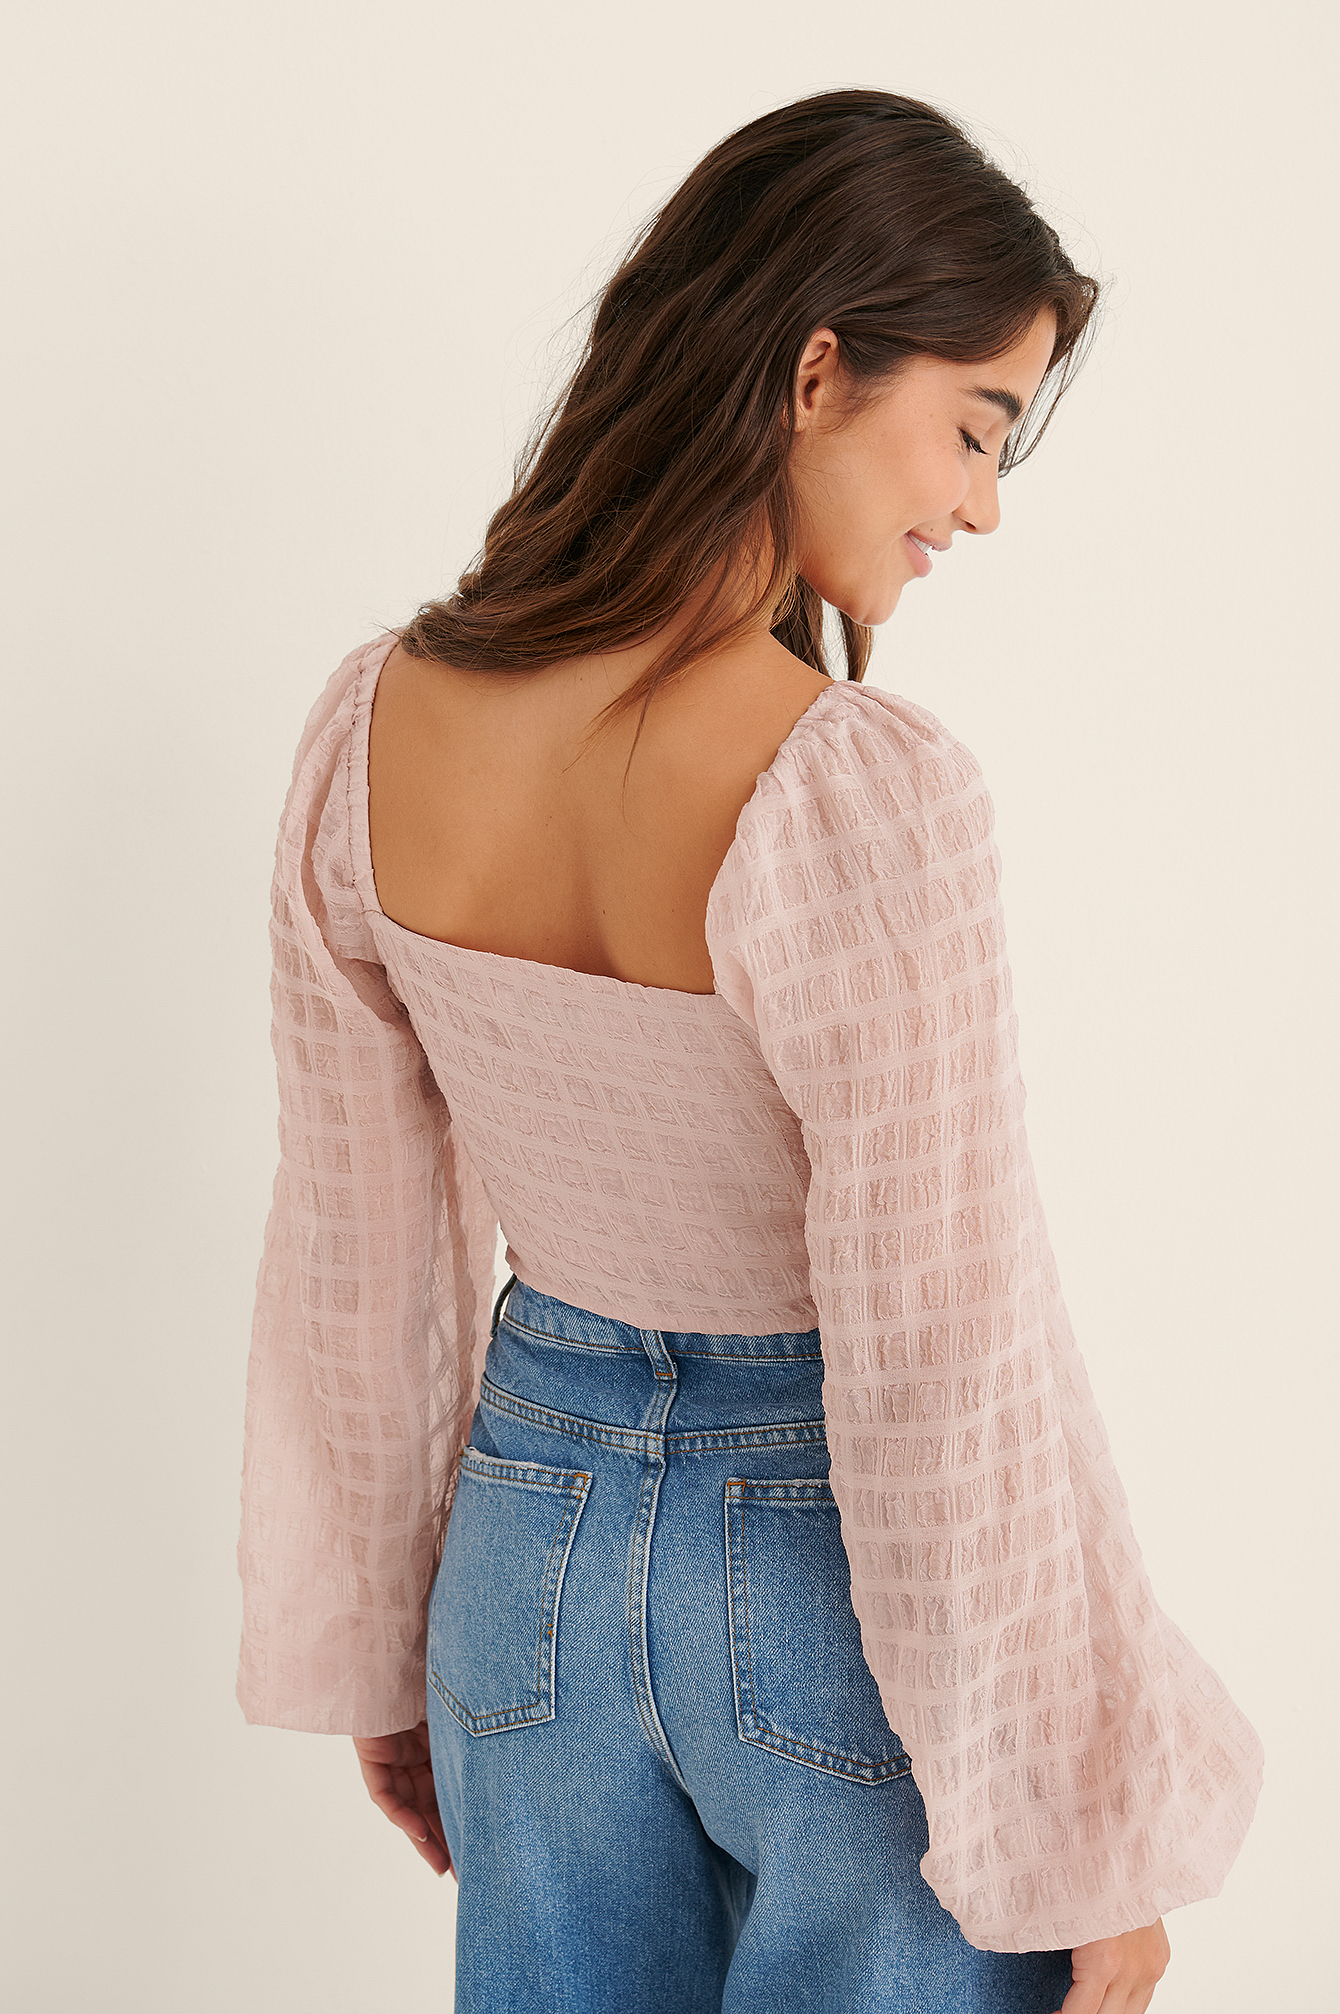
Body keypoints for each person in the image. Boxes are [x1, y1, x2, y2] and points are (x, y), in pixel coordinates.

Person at [235, 88, 1264, 2014]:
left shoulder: (378, 728)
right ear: (813, 371)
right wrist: (1073, 1827)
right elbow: (945, 1342)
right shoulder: (852, 789)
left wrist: (390, 1646)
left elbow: (353, 1258)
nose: (979, 505)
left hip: (523, 1563)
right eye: (974, 427)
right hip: (828, 1591)